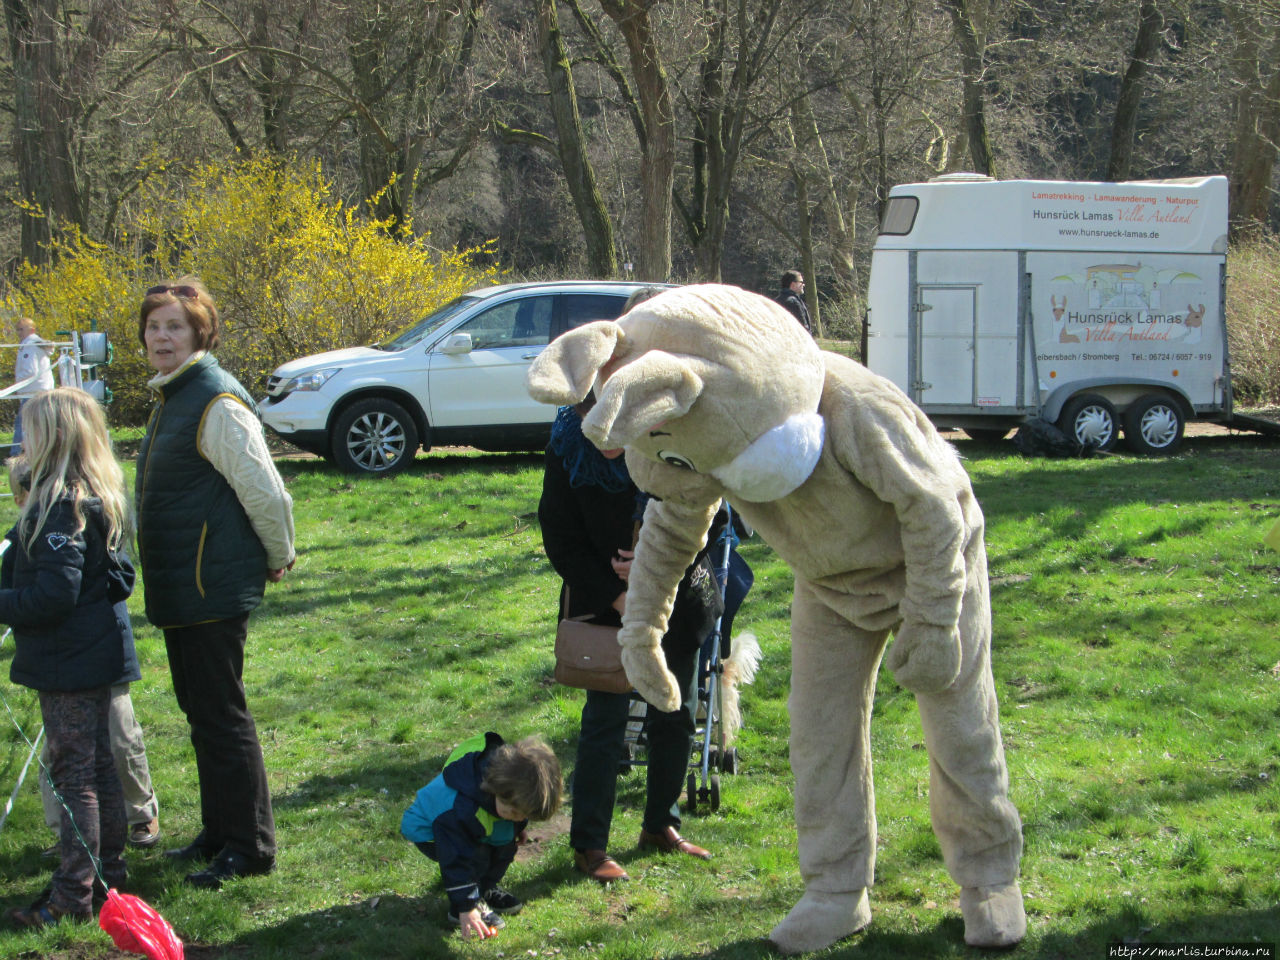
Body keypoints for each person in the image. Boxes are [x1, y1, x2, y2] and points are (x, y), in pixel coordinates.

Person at [134, 278, 296, 889]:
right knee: (201, 713)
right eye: (153, 327)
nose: (161, 337)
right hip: (184, 590)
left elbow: (263, 488)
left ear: (200, 331)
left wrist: (280, 552)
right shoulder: (173, 397)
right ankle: (218, 832)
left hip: (210, 588)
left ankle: (251, 846)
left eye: (174, 326)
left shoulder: (214, 400)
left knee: (223, 717)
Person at [538, 400, 726, 884]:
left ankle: (660, 824)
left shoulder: (673, 436)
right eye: (599, 434)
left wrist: (655, 555)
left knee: (676, 714)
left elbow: (713, 515)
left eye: (620, 434)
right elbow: (560, 536)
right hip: (606, 607)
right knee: (606, 723)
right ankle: (590, 846)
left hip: (677, 597)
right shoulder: (566, 447)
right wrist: (619, 596)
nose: (610, 446)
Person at [0, 388, 134, 927]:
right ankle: (108, 877)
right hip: (87, 655)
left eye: (28, 432)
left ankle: (73, 896)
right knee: (98, 767)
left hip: (70, 662)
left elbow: (54, 595)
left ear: (51, 438)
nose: (20, 443)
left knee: (75, 774)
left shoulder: (64, 511)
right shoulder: (90, 499)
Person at [7, 459, 162, 854]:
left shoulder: (84, 514)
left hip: (103, 645)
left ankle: (140, 811)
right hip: (64, 657)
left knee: (119, 733)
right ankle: (69, 830)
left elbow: (118, 576)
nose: (21, 502)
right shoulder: (30, 528)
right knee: (60, 748)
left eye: (23, 494)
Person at [401, 732, 563, 940]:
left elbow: (513, 809)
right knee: (476, 854)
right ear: (496, 790)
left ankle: (484, 889)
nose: (518, 817)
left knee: (505, 843)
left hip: (475, 819)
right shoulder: (461, 809)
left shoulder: (508, 789)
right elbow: (456, 857)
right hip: (431, 830)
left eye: (524, 814)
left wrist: (517, 827)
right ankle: (463, 906)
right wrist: (465, 906)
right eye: (514, 813)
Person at [10, 317, 55, 457]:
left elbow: (30, 371)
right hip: (41, 390)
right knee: (39, 424)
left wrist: (17, 383)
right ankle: (40, 453)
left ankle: (16, 455)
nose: (19, 333)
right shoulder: (35, 344)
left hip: (32, 391)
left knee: (22, 423)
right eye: (17, 329)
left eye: (21, 329)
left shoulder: (29, 345)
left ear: (32, 330)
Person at [774, 270, 812, 334]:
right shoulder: (793, 303)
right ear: (793, 284)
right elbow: (803, 329)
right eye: (801, 282)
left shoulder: (776, 301)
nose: (803, 285)